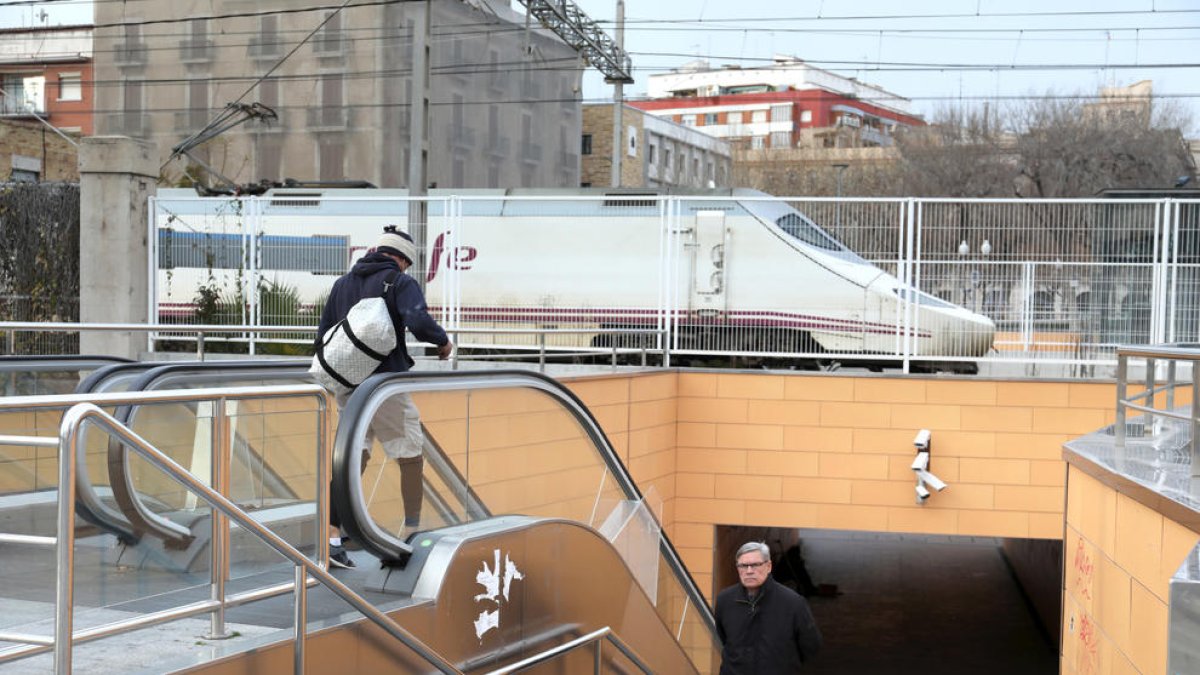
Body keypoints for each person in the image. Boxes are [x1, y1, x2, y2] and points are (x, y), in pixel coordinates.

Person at [315, 225, 453, 568]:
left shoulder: (342, 284)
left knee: (352, 456)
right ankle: (414, 531)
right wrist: (443, 342)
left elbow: (324, 334)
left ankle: (331, 537)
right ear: (402, 259)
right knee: (410, 451)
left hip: (348, 384)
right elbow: (418, 320)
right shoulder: (399, 282)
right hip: (384, 384)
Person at [715, 541, 822, 673]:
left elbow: (811, 645)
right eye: (743, 565)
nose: (749, 571)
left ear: (769, 566)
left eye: (755, 565)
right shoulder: (724, 600)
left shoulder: (793, 603)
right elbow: (723, 638)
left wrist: (783, 664)